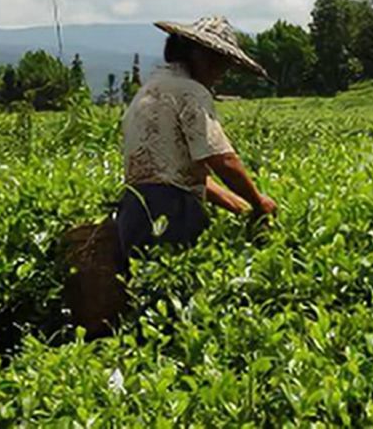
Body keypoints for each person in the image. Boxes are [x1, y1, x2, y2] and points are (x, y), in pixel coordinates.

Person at [117, 16, 277, 265]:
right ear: (201, 57)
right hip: (174, 213)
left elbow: (181, 175)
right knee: (177, 282)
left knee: (144, 286)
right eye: (220, 64)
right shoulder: (190, 91)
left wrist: (241, 207)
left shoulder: (147, 92)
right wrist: (259, 202)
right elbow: (221, 160)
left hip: (132, 213)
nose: (221, 74)